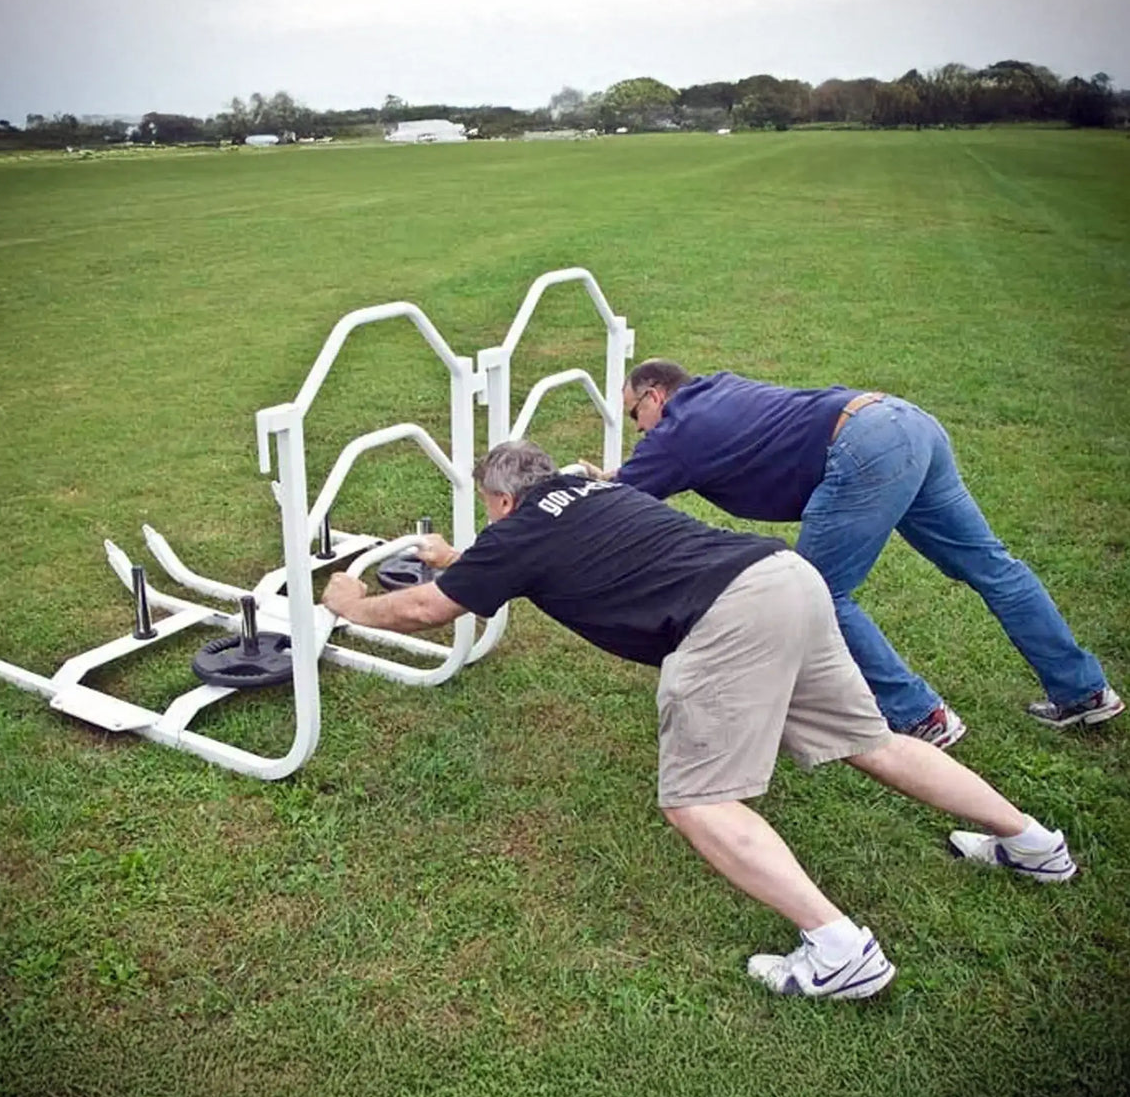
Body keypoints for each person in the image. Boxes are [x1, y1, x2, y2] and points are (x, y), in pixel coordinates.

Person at [322, 440, 1078, 1000]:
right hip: (783, 578)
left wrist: (351, 607)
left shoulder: (518, 530)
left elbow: (428, 604)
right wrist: (459, 554)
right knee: (871, 741)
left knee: (697, 800)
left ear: (504, 503)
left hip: (726, 618)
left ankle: (840, 950)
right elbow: (513, 559)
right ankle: (1035, 843)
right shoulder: (592, 491)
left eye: (491, 518)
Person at [578, 360, 1122, 748]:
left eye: (635, 417)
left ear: (654, 395)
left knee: (819, 592)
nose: (639, 430)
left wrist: (580, 486)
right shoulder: (719, 389)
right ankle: (1083, 690)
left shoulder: (676, 430)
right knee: (992, 565)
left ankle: (920, 716)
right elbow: (643, 473)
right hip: (905, 422)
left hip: (865, 450)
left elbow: (622, 496)